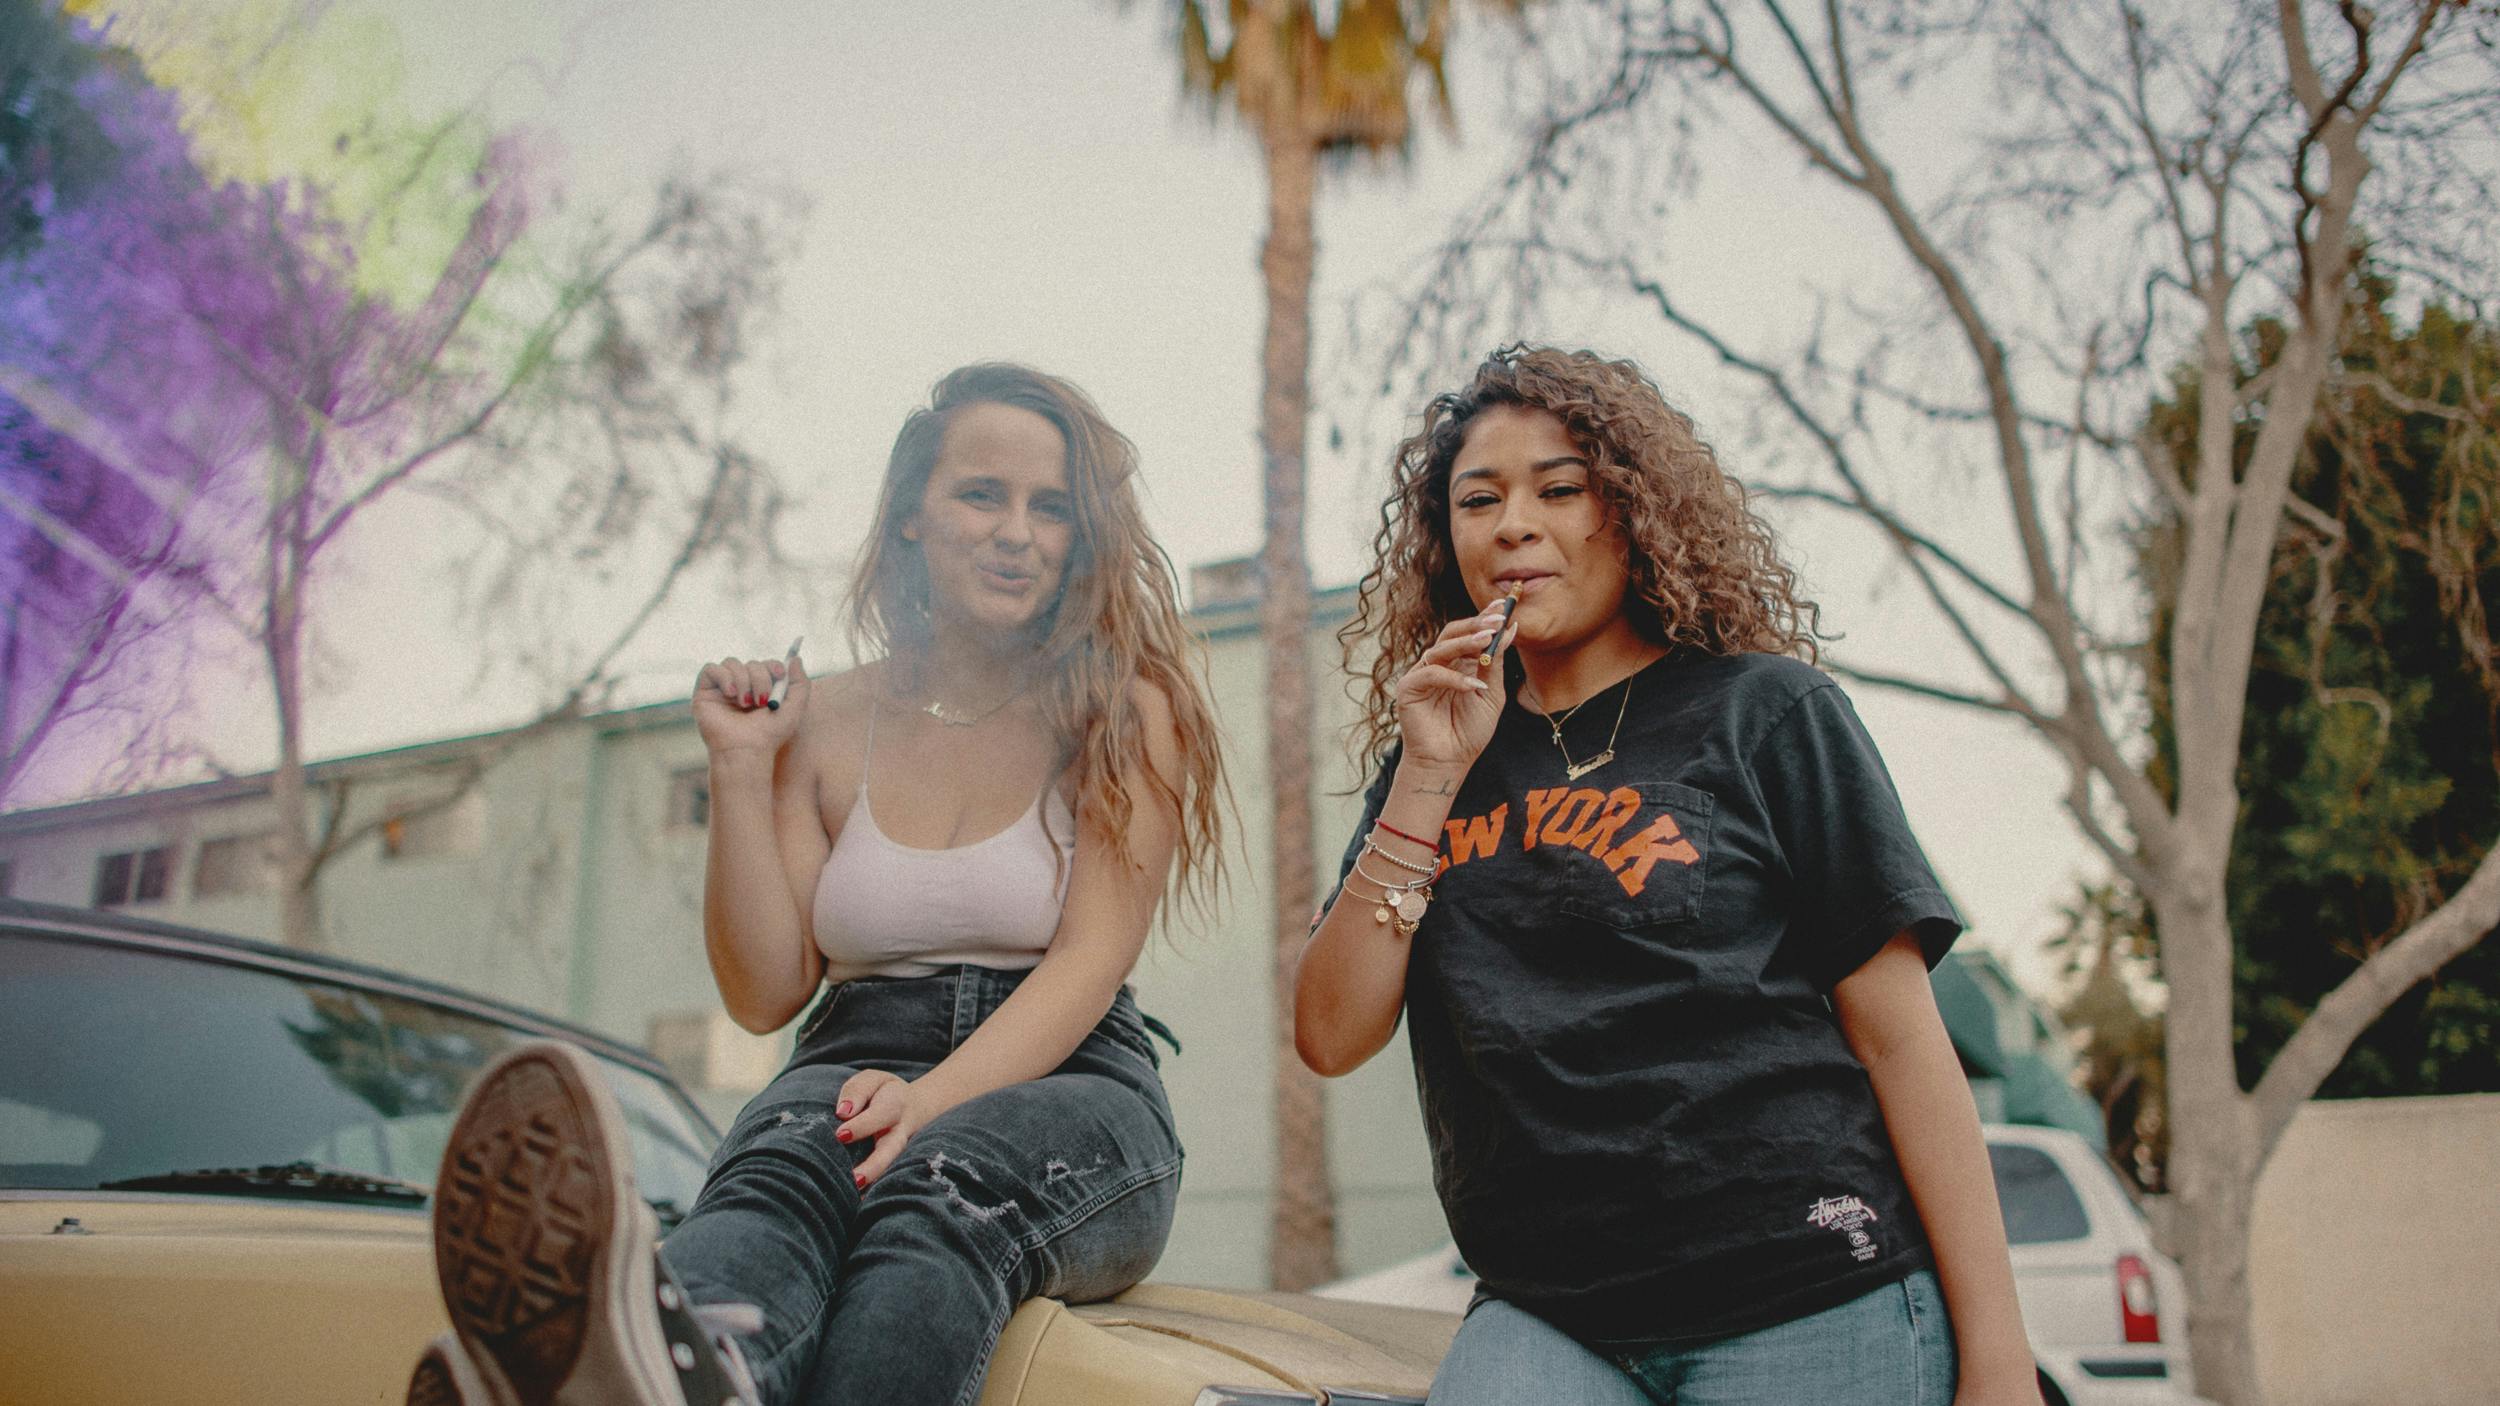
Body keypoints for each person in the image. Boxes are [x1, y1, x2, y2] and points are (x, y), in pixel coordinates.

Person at [408, 363, 1226, 1406]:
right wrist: (741, 768)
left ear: (1081, 539)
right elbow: (763, 990)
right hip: (845, 1052)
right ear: (912, 516)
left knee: (938, 1200)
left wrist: (929, 1101)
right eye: (982, 492)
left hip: (1068, 1080)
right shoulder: (824, 719)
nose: (1018, 529)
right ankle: (672, 1376)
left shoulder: (1123, 708)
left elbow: (1087, 962)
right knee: (767, 1193)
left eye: (1052, 506)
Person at [1295, 345, 2041, 1406]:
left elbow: (1900, 1037)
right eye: (1478, 498)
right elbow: (1330, 1031)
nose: (1513, 522)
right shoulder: (1434, 758)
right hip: (1549, 1309)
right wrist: (1426, 774)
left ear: (1633, 511)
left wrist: (1999, 1358)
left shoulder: (1767, 714)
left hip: (1809, 1293)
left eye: (1559, 488)